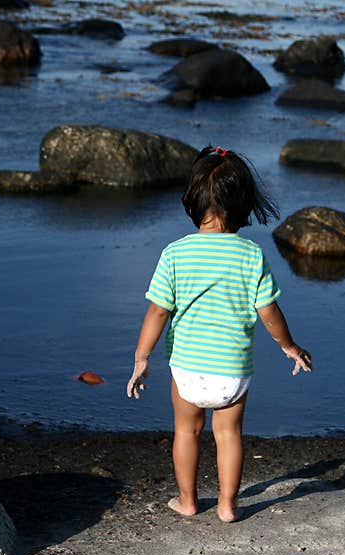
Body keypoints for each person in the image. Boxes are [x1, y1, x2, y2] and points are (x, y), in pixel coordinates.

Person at [126, 146, 312, 523]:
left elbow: (158, 310)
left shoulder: (175, 254)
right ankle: (228, 507)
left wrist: (141, 357)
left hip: (187, 368)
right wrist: (288, 346)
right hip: (232, 369)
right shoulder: (251, 256)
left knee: (186, 432)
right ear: (243, 203)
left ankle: (188, 500)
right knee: (228, 436)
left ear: (191, 201)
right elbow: (269, 311)